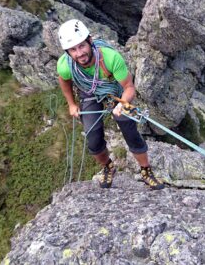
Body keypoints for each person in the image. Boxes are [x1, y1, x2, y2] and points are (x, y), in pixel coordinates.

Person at [57, 19, 164, 190]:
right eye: (73, 49)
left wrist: (122, 104)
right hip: (89, 91)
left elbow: (129, 88)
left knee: (127, 127)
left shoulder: (111, 58)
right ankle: (108, 167)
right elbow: (64, 81)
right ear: (67, 52)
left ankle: (146, 170)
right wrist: (71, 104)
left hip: (115, 90)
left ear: (90, 41)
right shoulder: (65, 65)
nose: (79, 53)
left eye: (82, 46)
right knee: (92, 138)